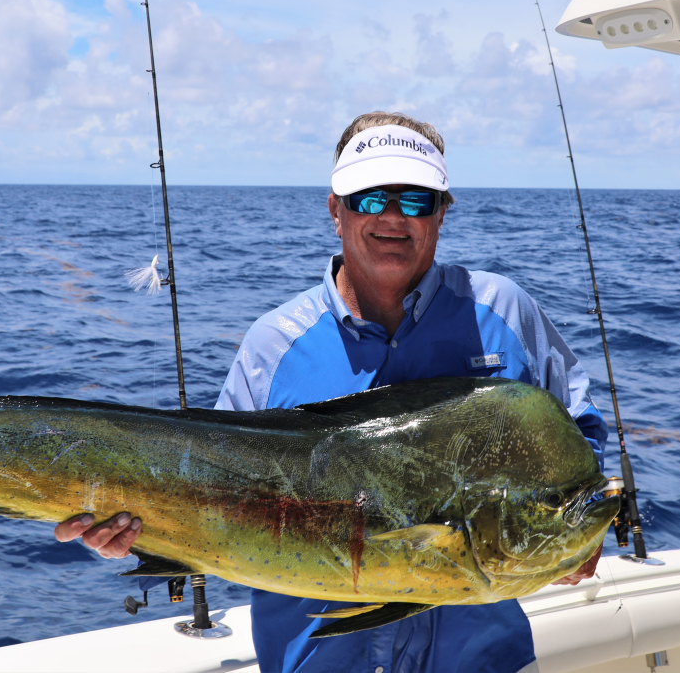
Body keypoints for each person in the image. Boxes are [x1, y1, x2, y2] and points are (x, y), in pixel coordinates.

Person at [55, 111, 609, 673]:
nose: (394, 218)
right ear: (335, 210)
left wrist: (580, 537)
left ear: (443, 212)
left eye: (416, 200)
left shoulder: (504, 313)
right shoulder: (275, 344)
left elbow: (581, 440)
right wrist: (137, 531)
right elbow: (206, 487)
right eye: (371, 198)